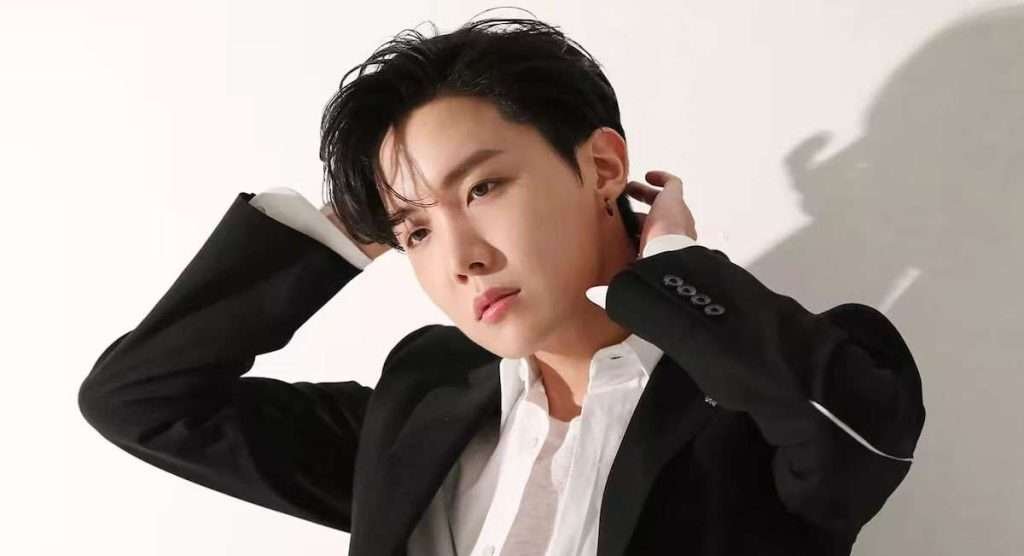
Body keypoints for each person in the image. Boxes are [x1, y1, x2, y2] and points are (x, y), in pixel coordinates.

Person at [78, 15, 925, 556]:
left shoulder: (764, 401)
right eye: (414, 231)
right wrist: (343, 229)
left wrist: (673, 270)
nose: (461, 257)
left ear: (603, 167)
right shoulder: (423, 408)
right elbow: (140, 400)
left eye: (483, 187)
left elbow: (854, 452)